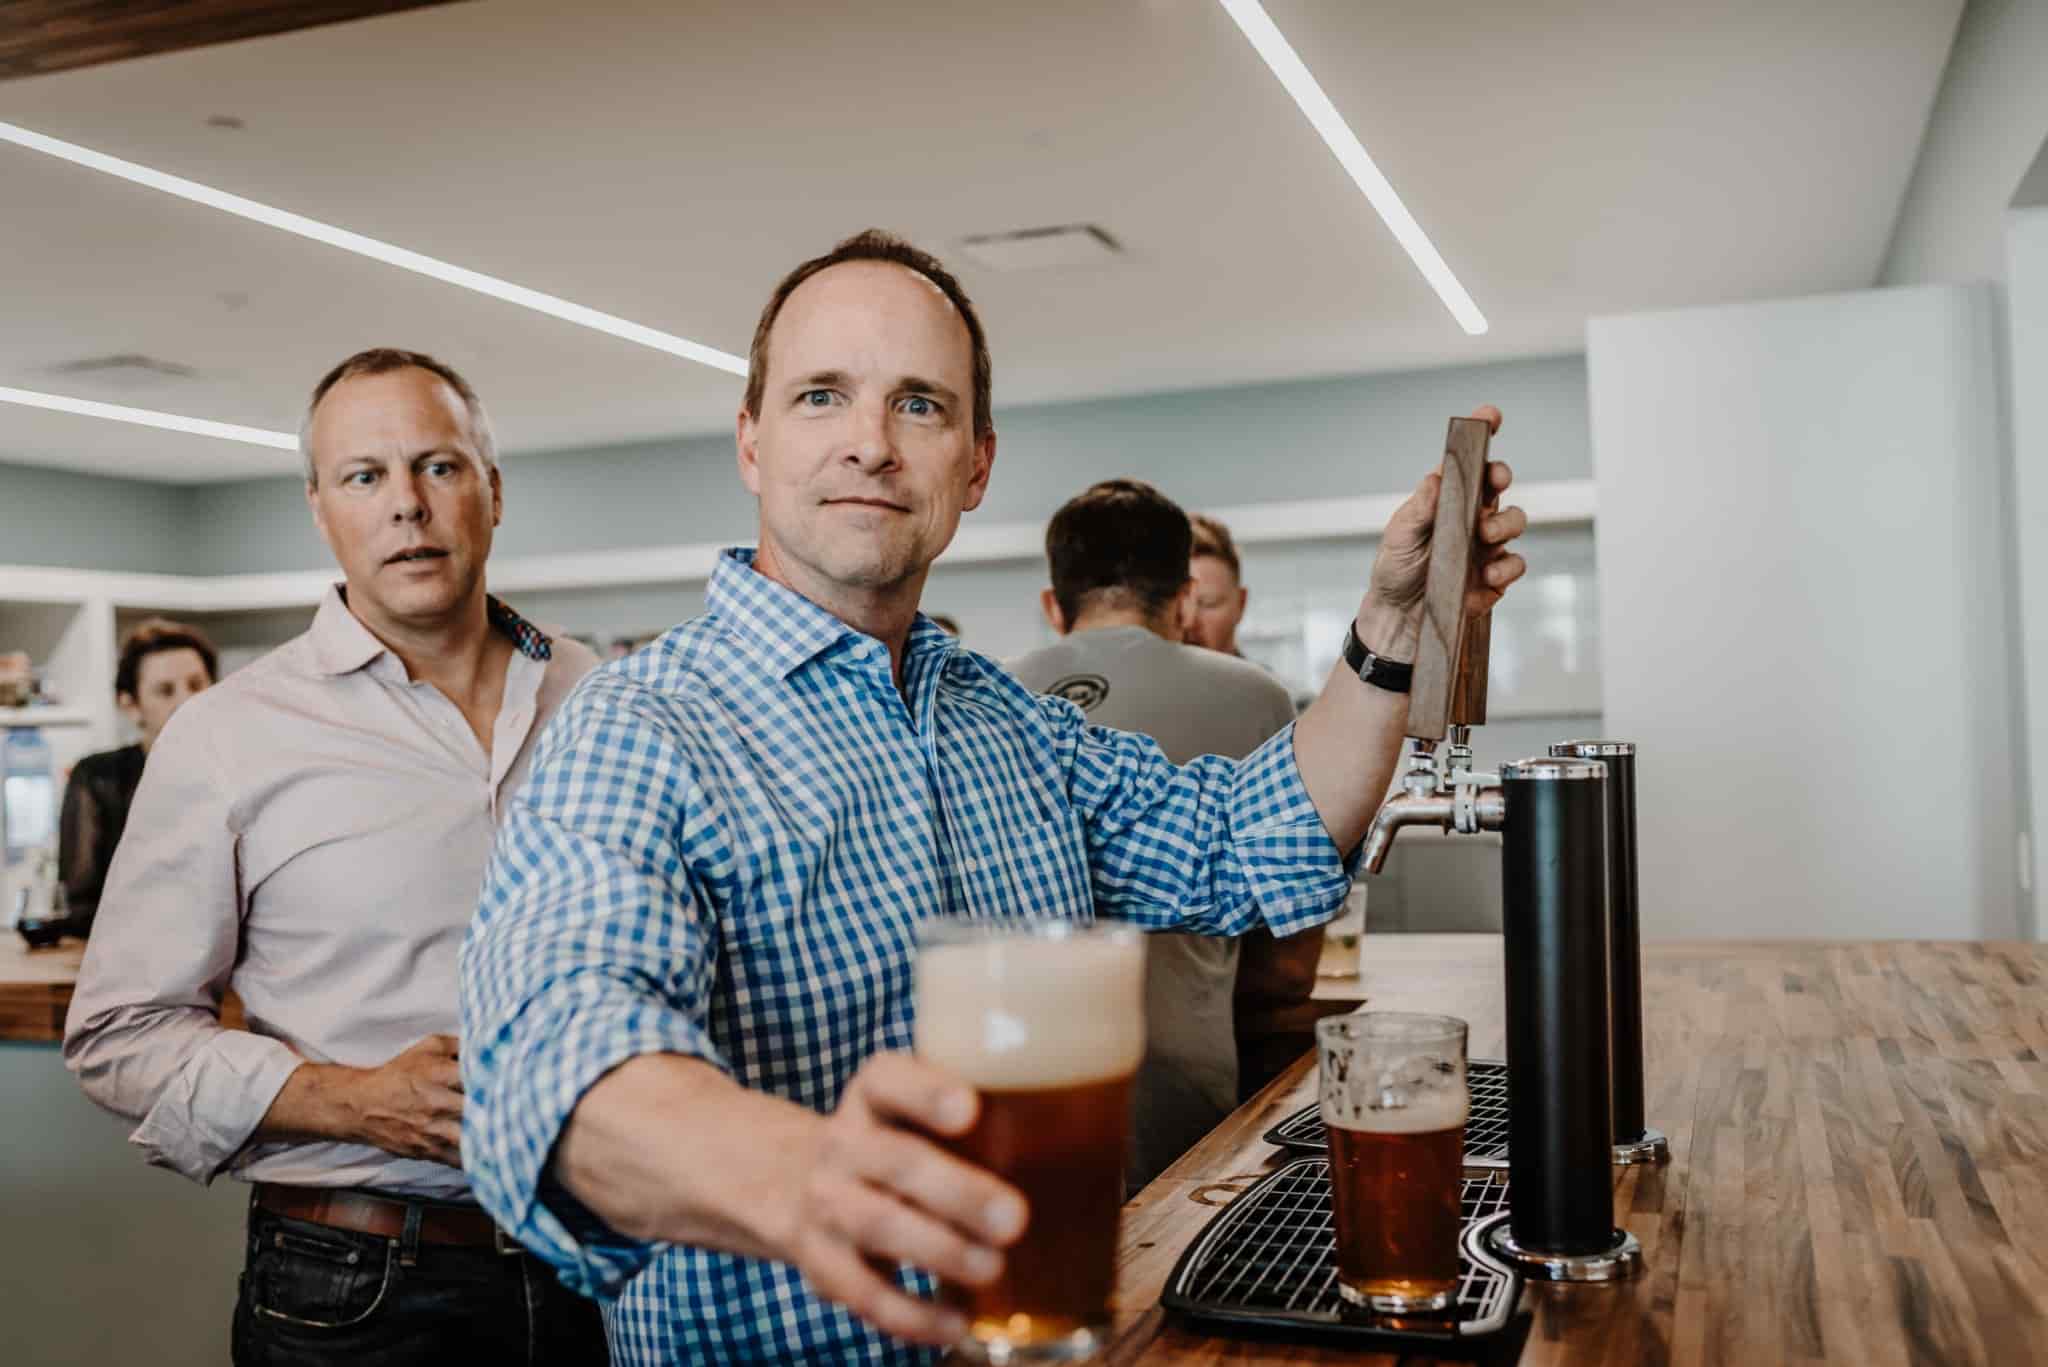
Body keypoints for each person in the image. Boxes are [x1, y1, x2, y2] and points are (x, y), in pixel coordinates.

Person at [458, 229, 1527, 1365]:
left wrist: (1389, 629)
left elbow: (1250, 833)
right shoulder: (642, 727)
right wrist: (802, 1170)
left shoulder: (1004, 719)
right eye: (822, 395)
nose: (868, 443)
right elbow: (551, 1060)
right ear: (752, 444)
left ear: (975, 463)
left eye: (917, 404)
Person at [63, 348, 607, 1366]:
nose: (407, 503)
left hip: (608, 1270)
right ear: (321, 508)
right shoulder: (229, 732)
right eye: (365, 475)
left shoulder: (605, 698)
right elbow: (118, 1034)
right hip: (355, 1286)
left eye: (438, 465)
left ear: (493, 488)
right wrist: (351, 1097)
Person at [1008, 479, 1297, 1188]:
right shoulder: (1256, 694)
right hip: (1186, 1096)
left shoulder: (993, 695)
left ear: (1053, 604)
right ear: (1184, 598)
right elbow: (1291, 965)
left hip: (1021, 1083)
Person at [54, 618, 217, 937]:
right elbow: (80, 902)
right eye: (165, 690)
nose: (187, 701)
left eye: (197, 685)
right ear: (130, 705)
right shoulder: (97, 778)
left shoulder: (244, 771)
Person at [1185, 511, 1249, 656]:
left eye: (1208, 603)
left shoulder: (1265, 680)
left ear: (1241, 603)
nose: (1190, 621)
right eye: (1179, 606)